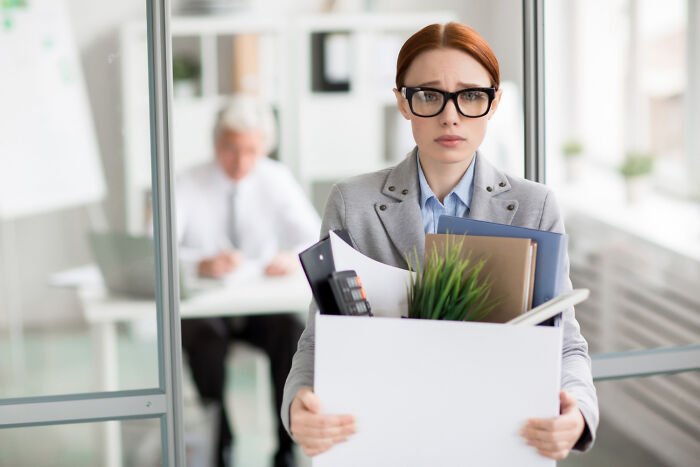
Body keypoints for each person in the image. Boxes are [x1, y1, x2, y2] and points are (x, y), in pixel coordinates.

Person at [281, 22, 599, 461]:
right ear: (402, 102)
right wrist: (298, 401)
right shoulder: (351, 202)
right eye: (429, 95)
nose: (451, 116)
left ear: (494, 103)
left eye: (470, 95)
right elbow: (321, 337)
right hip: (382, 435)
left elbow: (564, 342)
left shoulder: (535, 205)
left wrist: (578, 411)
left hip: (497, 437)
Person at [176, 95, 320, 467]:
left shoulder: (276, 178)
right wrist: (201, 263)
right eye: (230, 149)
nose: (240, 162)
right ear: (215, 143)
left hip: (258, 304)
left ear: (264, 148)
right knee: (204, 342)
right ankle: (220, 444)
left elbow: (315, 236)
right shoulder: (186, 182)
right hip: (208, 308)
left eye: (251, 151)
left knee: (290, 337)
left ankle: (285, 448)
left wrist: (290, 256)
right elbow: (156, 249)